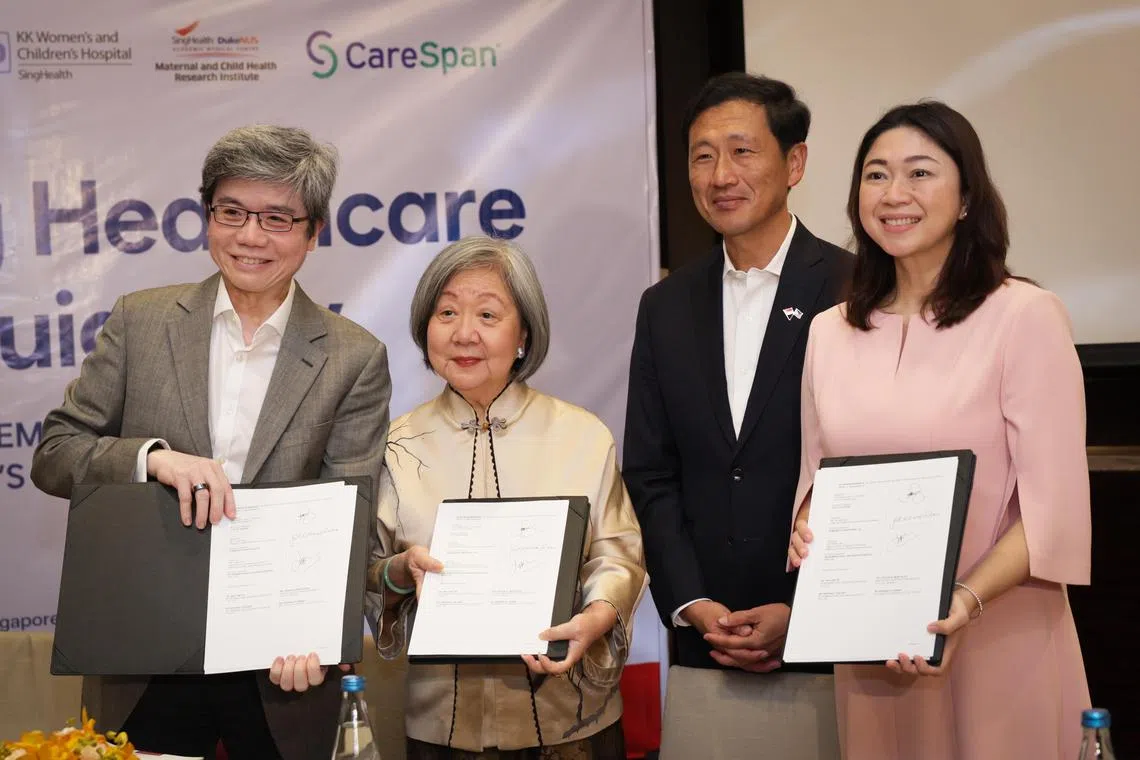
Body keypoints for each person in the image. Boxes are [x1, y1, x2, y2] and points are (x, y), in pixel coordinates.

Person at [30, 125, 392, 760]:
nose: (251, 236)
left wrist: (321, 637)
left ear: (313, 234)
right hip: (144, 659)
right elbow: (56, 453)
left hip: (283, 669)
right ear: (207, 218)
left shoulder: (353, 356)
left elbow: (349, 514)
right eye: (233, 212)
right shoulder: (138, 322)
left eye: (278, 218)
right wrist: (151, 459)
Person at [787, 101, 1091, 758]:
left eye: (919, 173)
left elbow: (1054, 509)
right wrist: (808, 525)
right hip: (871, 650)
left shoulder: (1025, 316)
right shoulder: (828, 333)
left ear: (965, 199)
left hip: (997, 635)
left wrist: (963, 602)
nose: (894, 194)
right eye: (875, 175)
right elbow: (817, 478)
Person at [368, 235, 646, 758]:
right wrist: (400, 571)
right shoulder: (396, 445)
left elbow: (619, 553)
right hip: (440, 727)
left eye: (488, 315)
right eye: (446, 312)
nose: (464, 333)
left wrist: (597, 617)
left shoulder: (582, 436)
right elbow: (370, 569)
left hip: (570, 724)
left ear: (524, 335)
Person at [623, 72, 851, 673]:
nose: (721, 175)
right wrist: (693, 603)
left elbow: (872, 470)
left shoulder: (857, 290)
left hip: (838, 641)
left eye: (742, 151)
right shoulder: (664, 306)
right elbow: (651, 471)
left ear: (794, 162)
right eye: (703, 156)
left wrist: (799, 609)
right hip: (707, 641)